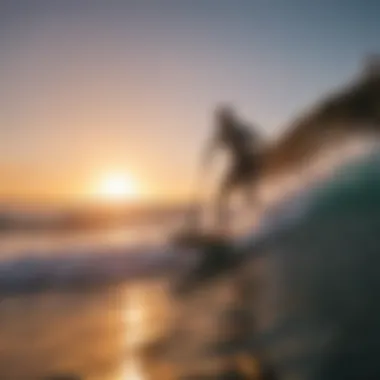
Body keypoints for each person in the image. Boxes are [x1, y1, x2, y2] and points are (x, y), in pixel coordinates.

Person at [202, 105, 263, 229]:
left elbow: (255, 136)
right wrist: (207, 160)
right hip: (238, 165)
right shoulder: (222, 133)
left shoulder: (238, 129)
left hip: (248, 162)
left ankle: (260, 219)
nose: (220, 123)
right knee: (222, 194)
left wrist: (255, 148)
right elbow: (213, 146)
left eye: (222, 120)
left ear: (227, 119)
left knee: (249, 194)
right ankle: (223, 225)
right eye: (219, 120)